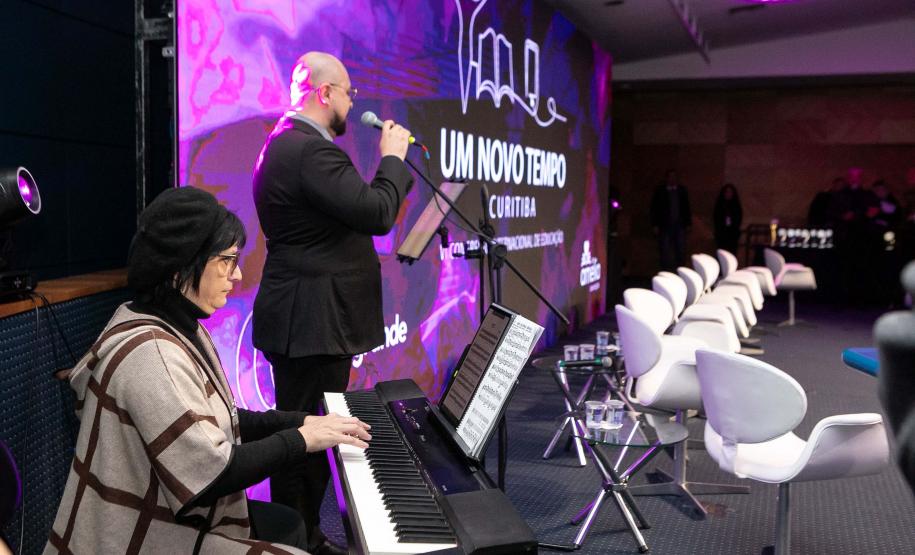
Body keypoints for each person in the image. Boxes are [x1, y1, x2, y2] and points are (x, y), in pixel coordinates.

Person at [45, 187, 371, 554]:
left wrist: (300, 421)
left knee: (288, 523)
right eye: (227, 260)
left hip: (169, 513)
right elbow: (212, 473)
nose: (237, 274)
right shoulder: (150, 354)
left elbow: (219, 419)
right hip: (134, 535)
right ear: (181, 266)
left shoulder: (174, 323)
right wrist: (302, 439)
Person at [251, 52, 413, 554]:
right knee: (305, 442)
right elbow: (377, 212)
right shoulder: (309, 150)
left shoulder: (291, 145)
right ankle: (296, 543)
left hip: (309, 321)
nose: (352, 102)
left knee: (307, 438)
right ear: (324, 93)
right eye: (348, 92)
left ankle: (303, 536)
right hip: (311, 324)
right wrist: (393, 158)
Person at [649, 169, 692, 271]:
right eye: (670, 176)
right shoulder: (660, 191)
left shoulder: (681, 191)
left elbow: (686, 208)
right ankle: (665, 272)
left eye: (674, 176)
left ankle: (680, 271)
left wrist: (688, 223)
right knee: (664, 250)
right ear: (666, 178)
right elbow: (654, 208)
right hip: (665, 225)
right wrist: (655, 224)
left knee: (680, 250)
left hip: (679, 225)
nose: (672, 179)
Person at [713, 183, 742, 255]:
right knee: (722, 253)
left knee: (731, 253)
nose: (728, 194)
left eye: (730, 192)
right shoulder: (719, 205)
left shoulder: (736, 205)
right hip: (721, 234)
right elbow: (716, 218)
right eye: (727, 192)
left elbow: (738, 219)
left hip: (732, 234)